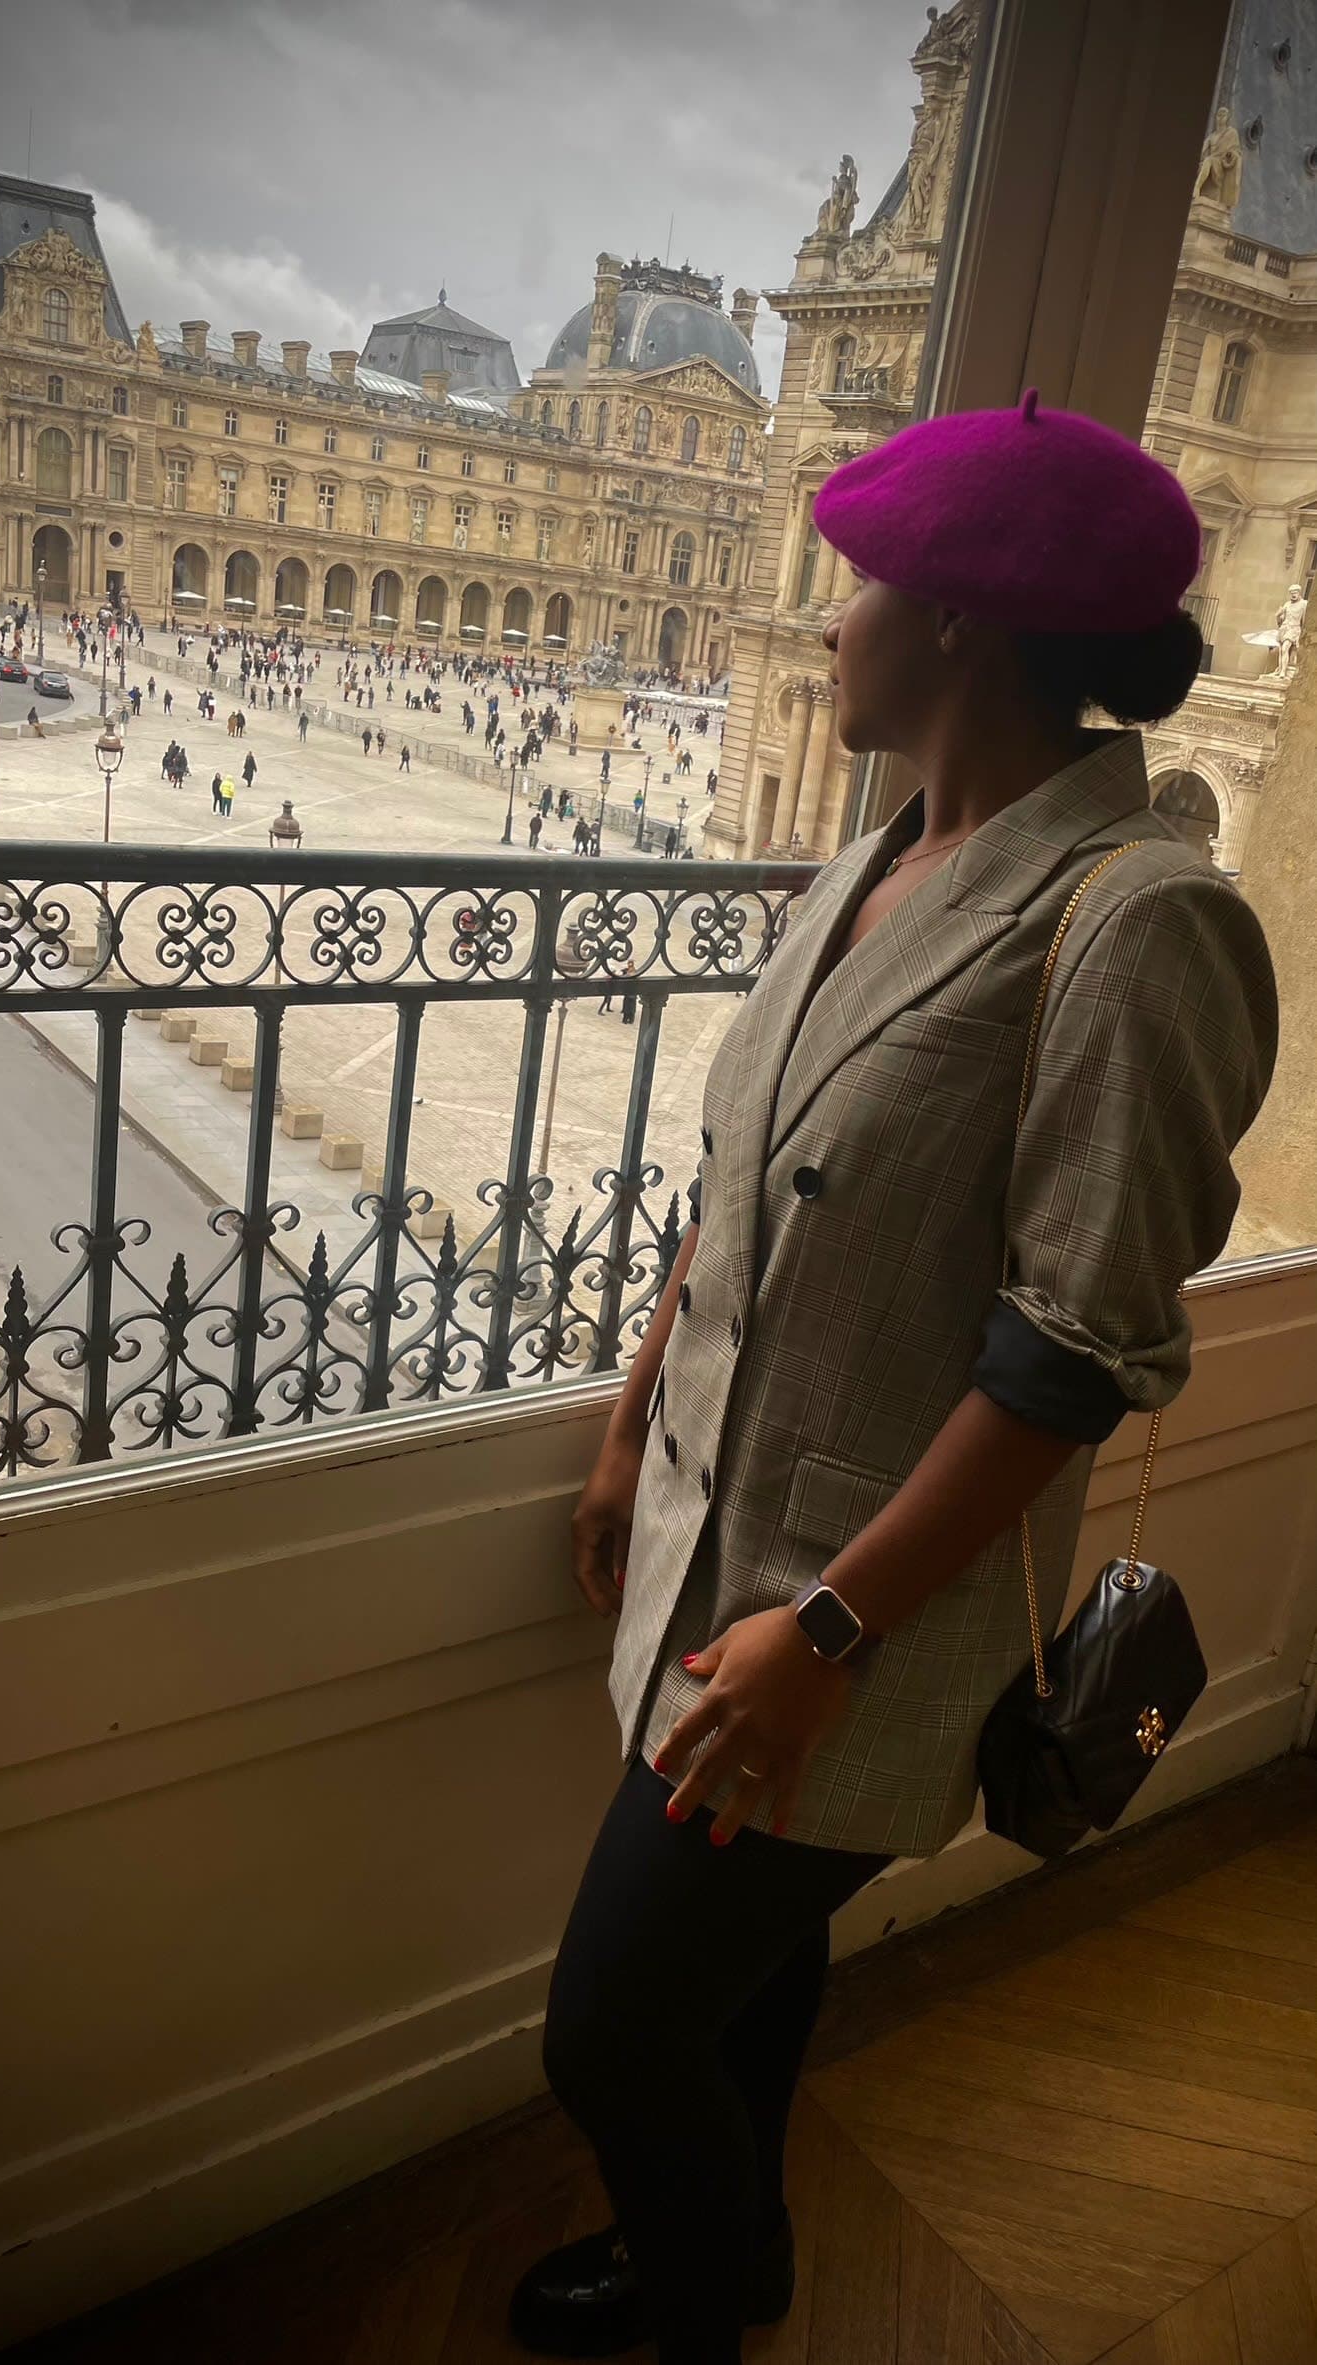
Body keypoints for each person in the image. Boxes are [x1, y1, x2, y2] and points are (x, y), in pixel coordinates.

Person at [510, 393, 1278, 2365]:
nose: (824, 611)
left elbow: (1075, 1346)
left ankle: (700, 2292)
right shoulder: (870, 861)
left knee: (607, 2023)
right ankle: (734, 2256)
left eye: (857, 577)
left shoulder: (1135, 921)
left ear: (962, 620)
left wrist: (828, 1626)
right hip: (708, 1541)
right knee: (739, 1973)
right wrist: (624, 1427)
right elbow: (743, 1176)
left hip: (846, 1612)